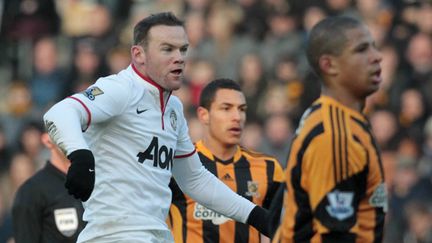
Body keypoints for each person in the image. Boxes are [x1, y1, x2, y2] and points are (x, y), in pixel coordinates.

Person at [43, 12, 269, 243]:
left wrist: (256, 215)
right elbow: (59, 113)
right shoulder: (121, 89)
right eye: (167, 49)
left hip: (156, 235)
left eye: (183, 49)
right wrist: (81, 155)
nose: (179, 57)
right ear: (139, 55)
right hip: (114, 236)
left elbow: (194, 180)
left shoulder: (173, 108)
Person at [277, 16, 387, 242]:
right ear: (329, 65)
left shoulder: (333, 117)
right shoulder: (335, 134)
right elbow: (336, 237)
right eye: (361, 50)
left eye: (374, 47)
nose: (377, 57)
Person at [168, 79, 285, 243]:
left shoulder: (269, 168)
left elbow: (284, 228)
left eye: (242, 109)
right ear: (204, 115)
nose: (237, 117)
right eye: (226, 108)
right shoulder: (179, 163)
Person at [12, 132, 85, 243]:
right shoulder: (32, 191)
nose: (72, 136)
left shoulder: (98, 183)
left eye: (76, 130)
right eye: (63, 131)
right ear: (47, 140)